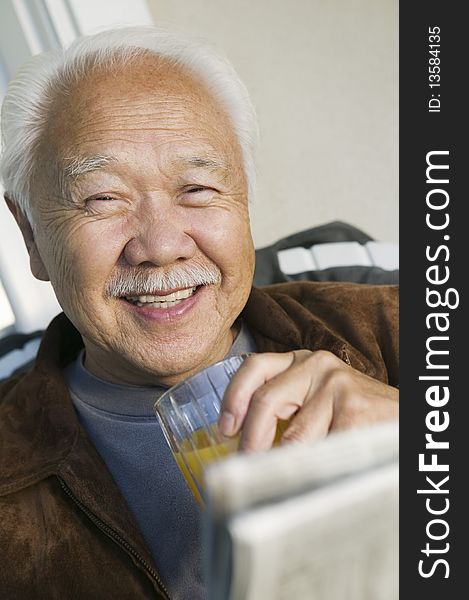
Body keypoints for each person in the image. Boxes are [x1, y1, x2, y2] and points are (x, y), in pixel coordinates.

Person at [0, 26, 398, 599]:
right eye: (102, 198)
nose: (161, 244)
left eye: (198, 188)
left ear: (244, 198)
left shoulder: (400, 325)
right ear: (31, 235)